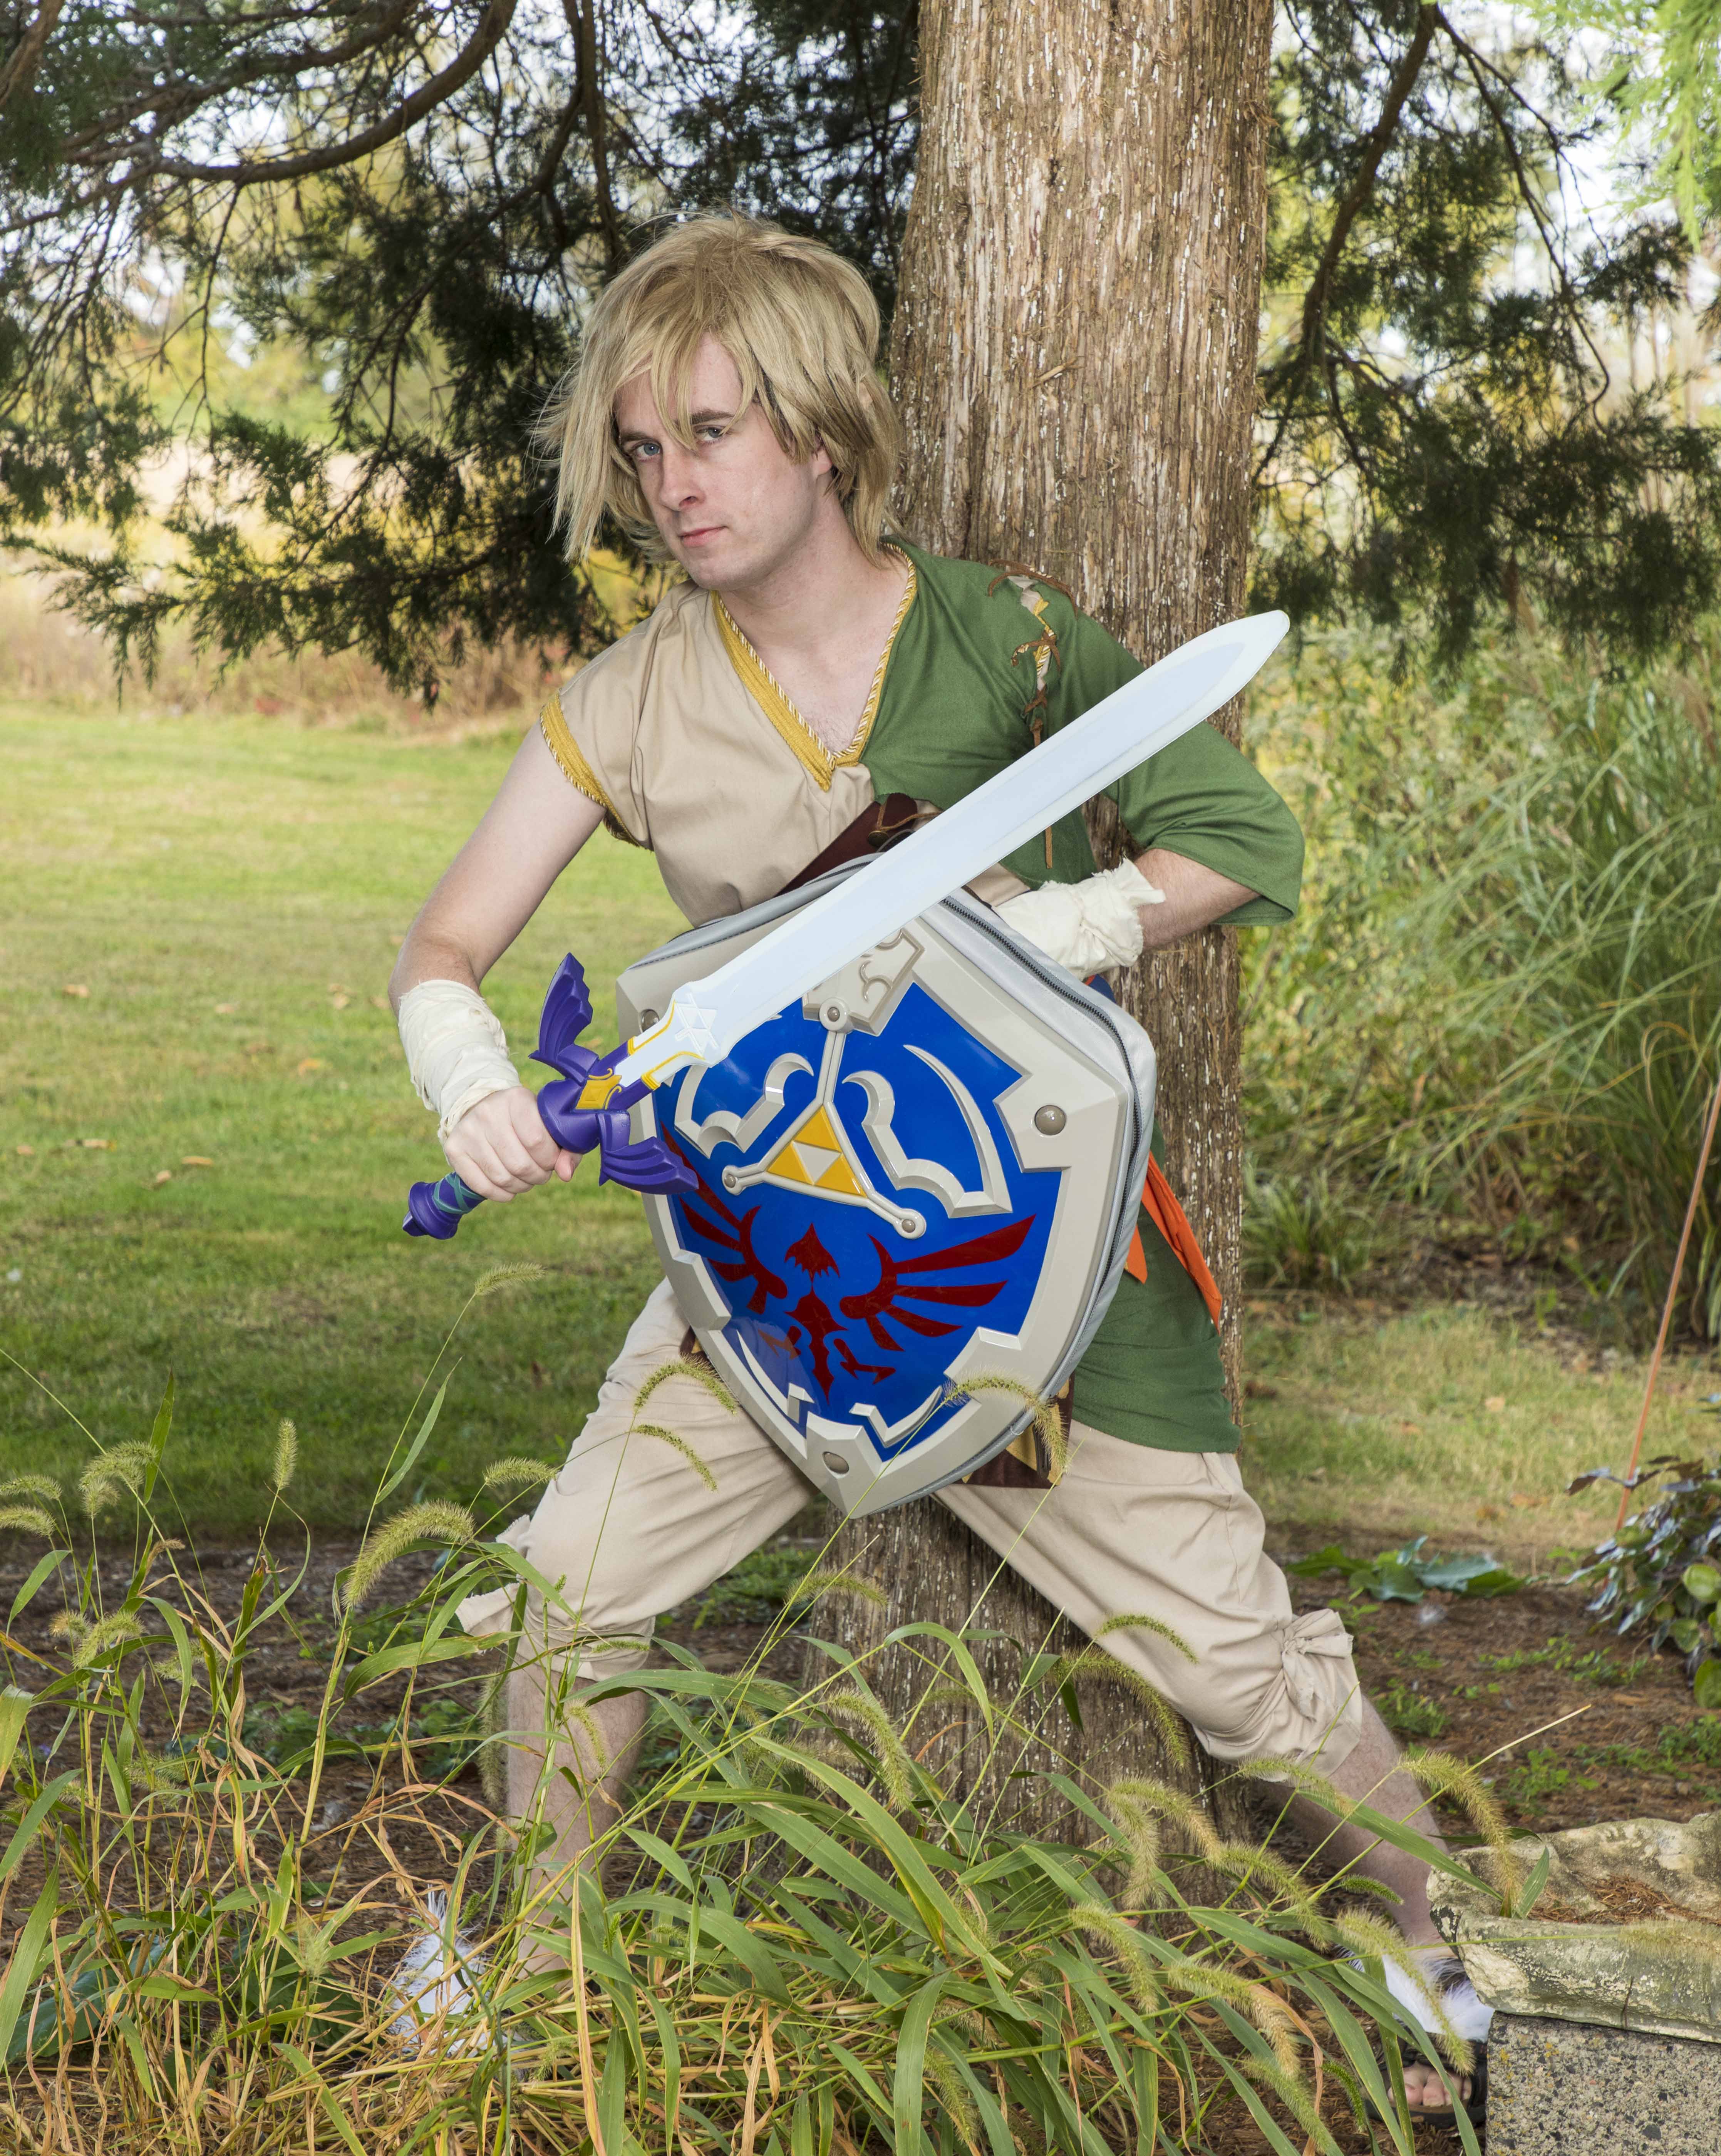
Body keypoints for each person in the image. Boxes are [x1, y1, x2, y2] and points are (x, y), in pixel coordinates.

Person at [389, 212, 1488, 2121]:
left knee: (1240, 1671)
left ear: (822, 431)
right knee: (567, 1592)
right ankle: (536, 1968)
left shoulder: (1012, 642)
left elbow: (1237, 839)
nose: (673, 484)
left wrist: (1061, 929)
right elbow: (446, 940)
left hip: (1028, 1262)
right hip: (777, 1268)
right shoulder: (631, 698)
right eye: (643, 450)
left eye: (711, 432)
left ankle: (1454, 1966)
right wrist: (466, 1070)